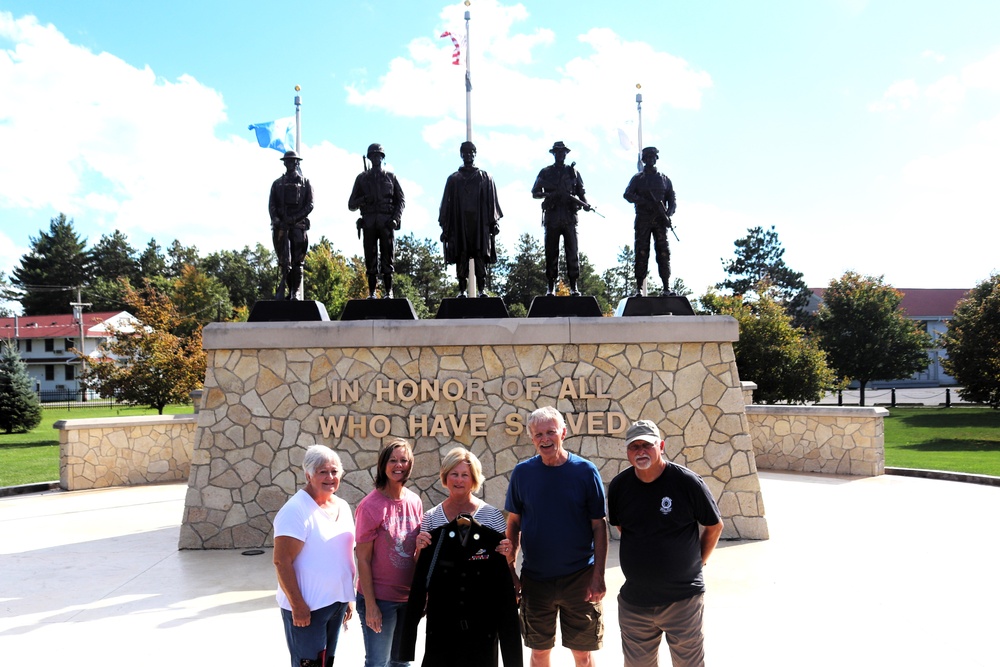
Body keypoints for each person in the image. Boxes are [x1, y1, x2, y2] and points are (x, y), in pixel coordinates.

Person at [607, 420, 724, 667]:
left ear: (661, 446)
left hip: (682, 601)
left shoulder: (687, 482)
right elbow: (623, 527)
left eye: (647, 445)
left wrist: (697, 563)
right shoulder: (619, 486)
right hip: (635, 602)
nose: (640, 451)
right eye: (634, 446)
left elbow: (714, 526)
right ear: (627, 451)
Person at [397, 447, 522, 667]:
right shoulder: (431, 518)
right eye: (454, 474)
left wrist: (507, 552)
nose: (459, 480)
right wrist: (420, 549)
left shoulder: (492, 516)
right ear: (445, 477)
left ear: (473, 479)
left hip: (483, 617)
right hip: (442, 617)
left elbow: (505, 564)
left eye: (465, 475)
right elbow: (422, 569)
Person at [505, 406, 608, 667]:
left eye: (551, 432)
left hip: (580, 580)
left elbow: (599, 525)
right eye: (538, 434)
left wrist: (598, 575)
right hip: (536, 581)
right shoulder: (523, 473)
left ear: (563, 432)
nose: (545, 439)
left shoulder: (585, 471)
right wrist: (510, 570)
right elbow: (514, 523)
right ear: (531, 438)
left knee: (582, 654)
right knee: (539, 653)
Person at [272, 445, 356, 667]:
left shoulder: (343, 506)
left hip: (335, 605)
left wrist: (346, 597)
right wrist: (297, 605)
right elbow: (282, 561)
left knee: (326, 662)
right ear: (308, 475)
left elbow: (344, 555)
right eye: (322, 472)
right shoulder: (295, 510)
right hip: (307, 610)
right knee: (309, 664)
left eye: (335, 471)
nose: (330, 477)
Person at [355, 438, 423, 667]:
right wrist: (371, 606)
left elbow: (416, 554)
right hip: (380, 600)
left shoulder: (414, 501)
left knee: (402, 663)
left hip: (407, 598)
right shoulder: (370, 506)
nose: (399, 465)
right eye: (393, 460)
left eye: (404, 460)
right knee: (378, 663)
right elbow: (362, 559)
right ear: (383, 464)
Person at [439, 141, 502, 297]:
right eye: (465, 152)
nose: (468, 155)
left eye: (471, 152)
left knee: (480, 257)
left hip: (480, 225)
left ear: (475, 154)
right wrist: (445, 228)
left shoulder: (485, 177)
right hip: (460, 224)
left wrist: (494, 223)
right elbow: (445, 205)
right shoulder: (453, 179)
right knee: (461, 257)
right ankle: (461, 291)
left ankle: (481, 290)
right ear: (461, 155)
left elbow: (492, 202)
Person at [531, 141, 589, 296]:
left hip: (569, 216)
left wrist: (585, 204)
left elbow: (581, 192)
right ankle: (551, 286)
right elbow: (535, 192)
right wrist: (549, 195)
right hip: (552, 216)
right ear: (554, 154)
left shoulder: (573, 173)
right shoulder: (545, 172)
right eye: (557, 152)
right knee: (551, 253)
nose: (560, 154)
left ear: (566, 154)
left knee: (572, 252)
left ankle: (574, 286)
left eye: (562, 152)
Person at [348, 143, 405, 299]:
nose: (375, 158)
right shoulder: (362, 178)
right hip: (369, 222)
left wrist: (395, 218)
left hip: (386, 222)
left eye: (378, 155)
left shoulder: (391, 177)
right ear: (369, 157)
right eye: (372, 155)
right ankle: (372, 292)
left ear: (382, 157)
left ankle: (388, 291)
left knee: (388, 258)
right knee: (370, 258)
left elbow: (400, 200)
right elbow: (351, 204)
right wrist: (364, 199)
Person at [623, 147, 676, 296]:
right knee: (641, 252)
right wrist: (644, 202)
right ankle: (639, 287)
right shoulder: (638, 178)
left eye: (653, 157)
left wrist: (668, 214)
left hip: (660, 221)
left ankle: (666, 287)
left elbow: (672, 200)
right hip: (643, 220)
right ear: (644, 160)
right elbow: (627, 194)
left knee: (664, 252)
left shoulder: (665, 179)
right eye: (647, 157)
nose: (650, 159)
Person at [269, 150, 314, 300]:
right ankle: (287, 290)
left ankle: (296, 291)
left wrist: (295, 218)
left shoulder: (306, 183)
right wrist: (276, 219)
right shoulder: (277, 183)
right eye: (288, 161)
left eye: (293, 161)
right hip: (281, 226)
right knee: (284, 261)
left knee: (298, 261)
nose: (290, 164)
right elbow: (272, 205)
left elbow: (310, 205)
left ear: (297, 163)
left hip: (298, 226)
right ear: (284, 163)